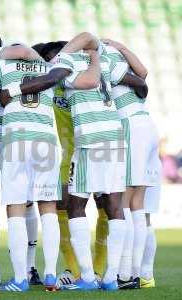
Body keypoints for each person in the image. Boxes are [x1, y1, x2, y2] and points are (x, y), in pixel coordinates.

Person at [0, 35, 100, 291]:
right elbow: (88, 81)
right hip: (47, 141)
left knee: (15, 208)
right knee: (47, 207)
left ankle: (20, 279)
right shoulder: (50, 68)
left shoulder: (2, 64)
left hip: (17, 140)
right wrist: (95, 58)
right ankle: (50, 274)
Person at [0, 32, 149, 291]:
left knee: (76, 205)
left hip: (91, 140)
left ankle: (89, 277)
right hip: (115, 137)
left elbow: (85, 76)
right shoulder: (104, 62)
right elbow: (141, 83)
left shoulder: (65, 64)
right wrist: (96, 59)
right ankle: (111, 278)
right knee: (114, 205)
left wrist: (11, 91)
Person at [100, 38, 161, 289]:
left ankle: (125, 273)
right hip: (147, 127)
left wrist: (115, 47)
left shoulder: (105, 62)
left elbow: (142, 77)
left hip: (129, 127)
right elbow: (144, 74)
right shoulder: (125, 65)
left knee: (123, 201)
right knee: (139, 206)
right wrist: (122, 47)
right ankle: (142, 273)